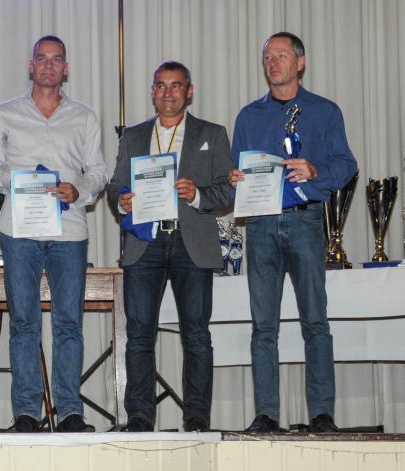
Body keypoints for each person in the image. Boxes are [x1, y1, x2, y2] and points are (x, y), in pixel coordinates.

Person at [230, 32, 357, 433]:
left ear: (300, 63)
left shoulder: (325, 112)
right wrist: (234, 180)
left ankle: (322, 413)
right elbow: (236, 173)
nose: (273, 62)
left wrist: (317, 171)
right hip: (261, 224)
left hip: (305, 221)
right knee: (263, 326)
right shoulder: (248, 116)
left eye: (281, 55)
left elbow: (346, 165)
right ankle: (267, 413)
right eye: (267, 56)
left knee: (315, 320)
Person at [0, 35, 107, 432]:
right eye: (42, 58)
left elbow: (98, 172)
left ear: (66, 68)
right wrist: (24, 184)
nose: (49, 65)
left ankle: (69, 411)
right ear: (31, 65)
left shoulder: (84, 117)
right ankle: (26, 413)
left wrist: (79, 190)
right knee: (23, 322)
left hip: (69, 230)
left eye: (56, 60)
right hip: (19, 229)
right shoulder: (5, 113)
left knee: (69, 323)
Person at [106, 61, 233, 432]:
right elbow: (114, 186)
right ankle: (140, 417)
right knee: (138, 335)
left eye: (176, 85)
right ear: (152, 91)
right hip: (144, 242)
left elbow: (227, 191)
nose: (168, 92)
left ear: (189, 91)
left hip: (191, 241)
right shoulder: (132, 136)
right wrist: (122, 201)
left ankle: (196, 418)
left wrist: (197, 194)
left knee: (197, 335)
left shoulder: (212, 133)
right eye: (161, 85)